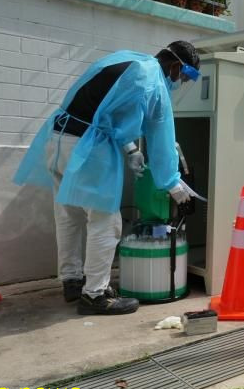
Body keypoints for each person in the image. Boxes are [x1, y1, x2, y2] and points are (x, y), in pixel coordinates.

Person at [14, 41, 200, 315]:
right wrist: (170, 181)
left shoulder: (128, 58)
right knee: (105, 220)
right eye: (185, 76)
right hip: (87, 147)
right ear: (174, 66)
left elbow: (108, 110)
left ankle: (73, 281)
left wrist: (130, 148)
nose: (182, 82)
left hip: (57, 138)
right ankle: (95, 295)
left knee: (69, 214)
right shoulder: (154, 82)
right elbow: (160, 136)